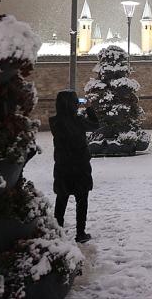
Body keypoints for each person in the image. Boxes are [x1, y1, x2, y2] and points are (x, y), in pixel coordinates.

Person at [50, 90, 99, 243]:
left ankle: (58, 233)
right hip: (80, 166)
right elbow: (95, 125)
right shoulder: (78, 121)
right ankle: (80, 233)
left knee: (61, 198)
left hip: (63, 166)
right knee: (82, 199)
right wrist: (89, 108)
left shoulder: (54, 122)